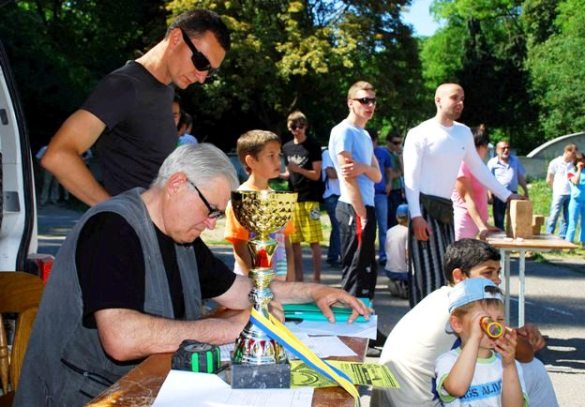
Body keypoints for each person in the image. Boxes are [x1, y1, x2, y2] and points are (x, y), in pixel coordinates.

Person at [15, 144, 370, 406]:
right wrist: (225, 329)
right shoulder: (112, 228)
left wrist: (314, 292)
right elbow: (120, 338)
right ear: (177, 184)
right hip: (80, 397)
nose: (211, 223)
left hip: (144, 386)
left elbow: (240, 291)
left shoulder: (180, 232)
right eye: (210, 210)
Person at [40, 9, 230, 206]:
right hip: (129, 232)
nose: (201, 77)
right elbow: (58, 155)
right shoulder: (125, 86)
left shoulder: (165, 91)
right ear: (176, 38)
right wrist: (120, 213)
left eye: (210, 72)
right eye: (202, 62)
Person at [375, 239, 558, 407]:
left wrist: (516, 333)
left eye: (498, 272)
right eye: (488, 273)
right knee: (534, 369)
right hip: (422, 402)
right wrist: (520, 339)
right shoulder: (463, 310)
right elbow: (525, 354)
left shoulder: (442, 298)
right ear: (459, 276)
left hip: (393, 397)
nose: (497, 280)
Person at [403, 83, 518, 307]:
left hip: (447, 211)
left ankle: (444, 332)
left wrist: (507, 195)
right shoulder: (419, 133)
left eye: (462, 99)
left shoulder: (463, 132)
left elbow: (478, 168)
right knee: (427, 276)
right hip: (424, 209)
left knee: (447, 273)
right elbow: (411, 179)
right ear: (438, 100)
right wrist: (416, 216)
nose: (460, 103)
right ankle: (421, 331)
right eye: (455, 98)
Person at [435, 278, 527, 406]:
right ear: (457, 324)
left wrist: (509, 366)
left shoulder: (508, 364)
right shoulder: (447, 361)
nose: (494, 327)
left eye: (499, 319)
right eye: (485, 321)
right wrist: (475, 337)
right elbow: (457, 388)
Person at [328, 81, 382, 299]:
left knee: (367, 269)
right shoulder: (343, 131)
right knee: (354, 269)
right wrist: (360, 213)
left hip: (366, 206)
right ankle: (352, 326)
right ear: (350, 103)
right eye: (364, 100)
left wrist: (364, 168)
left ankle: (365, 322)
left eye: (373, 101)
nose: (369, 105)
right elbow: (349, 178)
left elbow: (377, 175)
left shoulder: (365, 134)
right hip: (353, 207)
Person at [225, 130, 295, 281]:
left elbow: (287, 244)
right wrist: (258, 285)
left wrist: (291, 282)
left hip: (280, 283)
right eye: (271, 156)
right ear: (251, 161)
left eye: (279, 155)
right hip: (250, 286)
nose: (278, 162)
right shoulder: (240, 199)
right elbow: (240, 249)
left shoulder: (280, 199)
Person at [282, 111, 323, 282]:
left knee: (314, 241)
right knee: (294, 242)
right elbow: (288, 173)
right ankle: (299, 279)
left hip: (310, 199)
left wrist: (298, 169)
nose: (297, 129)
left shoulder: (313, 145)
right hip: (293, 198)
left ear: (305, 126)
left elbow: (316, 174)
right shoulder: (286, 147)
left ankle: (317, 278)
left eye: (300, 125)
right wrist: (277, 174)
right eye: (293, 126)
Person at [451, 125, 500, 240]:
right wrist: (482, 226)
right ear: (476, 146)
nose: (487, 149)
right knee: (463, 257)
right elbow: (468, 200)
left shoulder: (478, 166)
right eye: (485, 145)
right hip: (465, 224)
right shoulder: (463, 165)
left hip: (477, 223)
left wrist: (484, 224)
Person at [487, 140, 528, 230]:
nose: (506, 150)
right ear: (497, 150)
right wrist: (489, 195)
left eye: (508, 148)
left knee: (514, 218)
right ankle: (500, 239)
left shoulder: (515, 160)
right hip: (498, 195)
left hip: (513, 194)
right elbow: (488, 180)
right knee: (499, 219)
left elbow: (520, 177)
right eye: (503, 148)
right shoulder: (492, 163)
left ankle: (512, 239)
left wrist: (526, 191)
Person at [370, 128, 392, 264]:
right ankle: (369, 254)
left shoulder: (383, 153)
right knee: (368, 226)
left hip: (380, 193)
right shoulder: (362, 152)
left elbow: (389, 170)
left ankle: (383, 254)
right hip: (367, 194)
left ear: (375, 141)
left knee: (383, 226)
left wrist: (389, 183)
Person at [546, 144, 577, 239]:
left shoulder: (573, 164)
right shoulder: (555, 162)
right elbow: (549, 178)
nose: (574, 156)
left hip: (570, 193)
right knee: (554, 214)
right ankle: (549, 235)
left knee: (566, 217)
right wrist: (554, 189)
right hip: (559, 193)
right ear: (567, 151)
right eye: (573, 153)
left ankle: (562, 237)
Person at [565, 152, 585, 250]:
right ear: (576, 162)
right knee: (573, 223)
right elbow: (576, 181)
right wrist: (579, 170)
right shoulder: (570, 171)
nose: (582, 162)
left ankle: (584, 244)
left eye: (584, 160)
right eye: (580, 160)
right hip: (576, 201)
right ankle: (569, 244)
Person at [322, 147, 342, 267]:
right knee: (337, 226)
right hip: (331, 195)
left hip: (342, 195)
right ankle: (335, 256)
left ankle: (334, 255)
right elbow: (331, 173)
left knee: (339, 227)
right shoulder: (327, 153)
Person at [384, 204, 409, 299]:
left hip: (389, 270)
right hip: (403, 272)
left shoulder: (390, 231)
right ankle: (404, 286)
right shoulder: (408, 232)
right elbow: (408, 254)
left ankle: (396, 284)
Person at [385, 132, 405, 227]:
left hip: (398, 189)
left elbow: (404, 172)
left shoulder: (397, 154)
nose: (398, 145)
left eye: (400, 143)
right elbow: (390, 173)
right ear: (388, 142)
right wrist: (398, 173)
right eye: (395, 143)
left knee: (397, 218)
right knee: (389, 218)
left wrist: (400, 156)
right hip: (388, 190)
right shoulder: (384, 153)